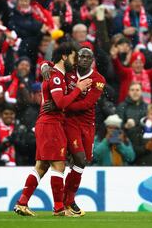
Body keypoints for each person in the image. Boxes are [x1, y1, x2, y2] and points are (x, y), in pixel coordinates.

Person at [14, 43, 91, 217]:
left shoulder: (55, 73)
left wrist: (44, 65)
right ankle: (58, 208)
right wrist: (78, 88)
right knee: (58, 165)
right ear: (64, 57)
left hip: (48, 123)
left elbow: (58, 101)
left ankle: (22, 203)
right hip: (51, 124)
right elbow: (61, 103)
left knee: (41, 166)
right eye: (73, 57)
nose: (76, 61)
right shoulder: (56, 76)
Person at [42, 47, 106, 216]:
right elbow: (54, 64)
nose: (84, 59)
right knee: (79, 158)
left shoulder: (99, 80)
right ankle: (68, 201)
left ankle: (68, 199)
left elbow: (86, 104)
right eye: (81, 56)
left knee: (82, 162)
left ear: (92, 60)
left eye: (88, 57)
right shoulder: (69, 70)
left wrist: (59, 104)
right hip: (69, 121)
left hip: (87, 123)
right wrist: (44, 65)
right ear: (77, 58)